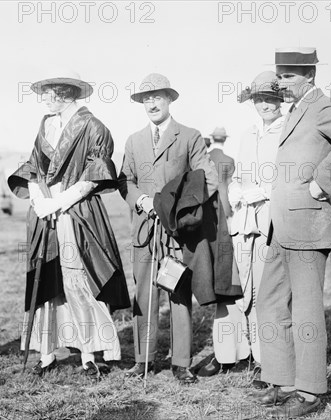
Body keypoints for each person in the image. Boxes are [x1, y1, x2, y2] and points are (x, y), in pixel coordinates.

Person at [251, 48, 331, 418]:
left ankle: (309, 392)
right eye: (279, 75)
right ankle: (283, 380)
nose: (280, 82)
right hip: (281, 226)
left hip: (308, 225)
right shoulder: (296, 109)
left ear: (310, 76)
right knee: (270, 303)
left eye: (288, 76)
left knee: (304, 311)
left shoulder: (322, 107)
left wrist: (324, 181)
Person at [8, 71, 130, 379]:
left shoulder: (94, 127)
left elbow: (93, 177)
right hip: (45, 215)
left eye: (48, 94)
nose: (43, 100)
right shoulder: (46, 125)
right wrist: (39, 202)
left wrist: (57, 203)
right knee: (47, 280)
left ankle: (91, 353)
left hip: (76, 213)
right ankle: (47, 353)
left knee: (80, 282)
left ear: (65, 95)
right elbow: (33, 169)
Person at [119, 73, 220, 384]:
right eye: (145, 98)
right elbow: (125, 181)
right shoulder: (134, 140)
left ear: (169, 99)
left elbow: (209, 179)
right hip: (144, 231)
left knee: (178, 294)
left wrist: (179, 210)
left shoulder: (189, 136)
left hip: (176, 233)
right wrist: (143, 201)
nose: (151, 102)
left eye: (157, 96)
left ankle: (181, 363)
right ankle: (142, 359)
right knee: (143, 295)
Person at [199, 72, 284, 382]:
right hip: (242, 221)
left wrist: (262, 191)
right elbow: (238, 175)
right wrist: (235, 190)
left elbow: (289, 178)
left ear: (281, 100)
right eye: (259, 98)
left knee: (264, 292)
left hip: (269, 222)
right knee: (240, 290)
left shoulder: (288, 131)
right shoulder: (248, 134)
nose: (265, 104)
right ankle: (240, 353)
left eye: (271, 98)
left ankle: (266, 360)